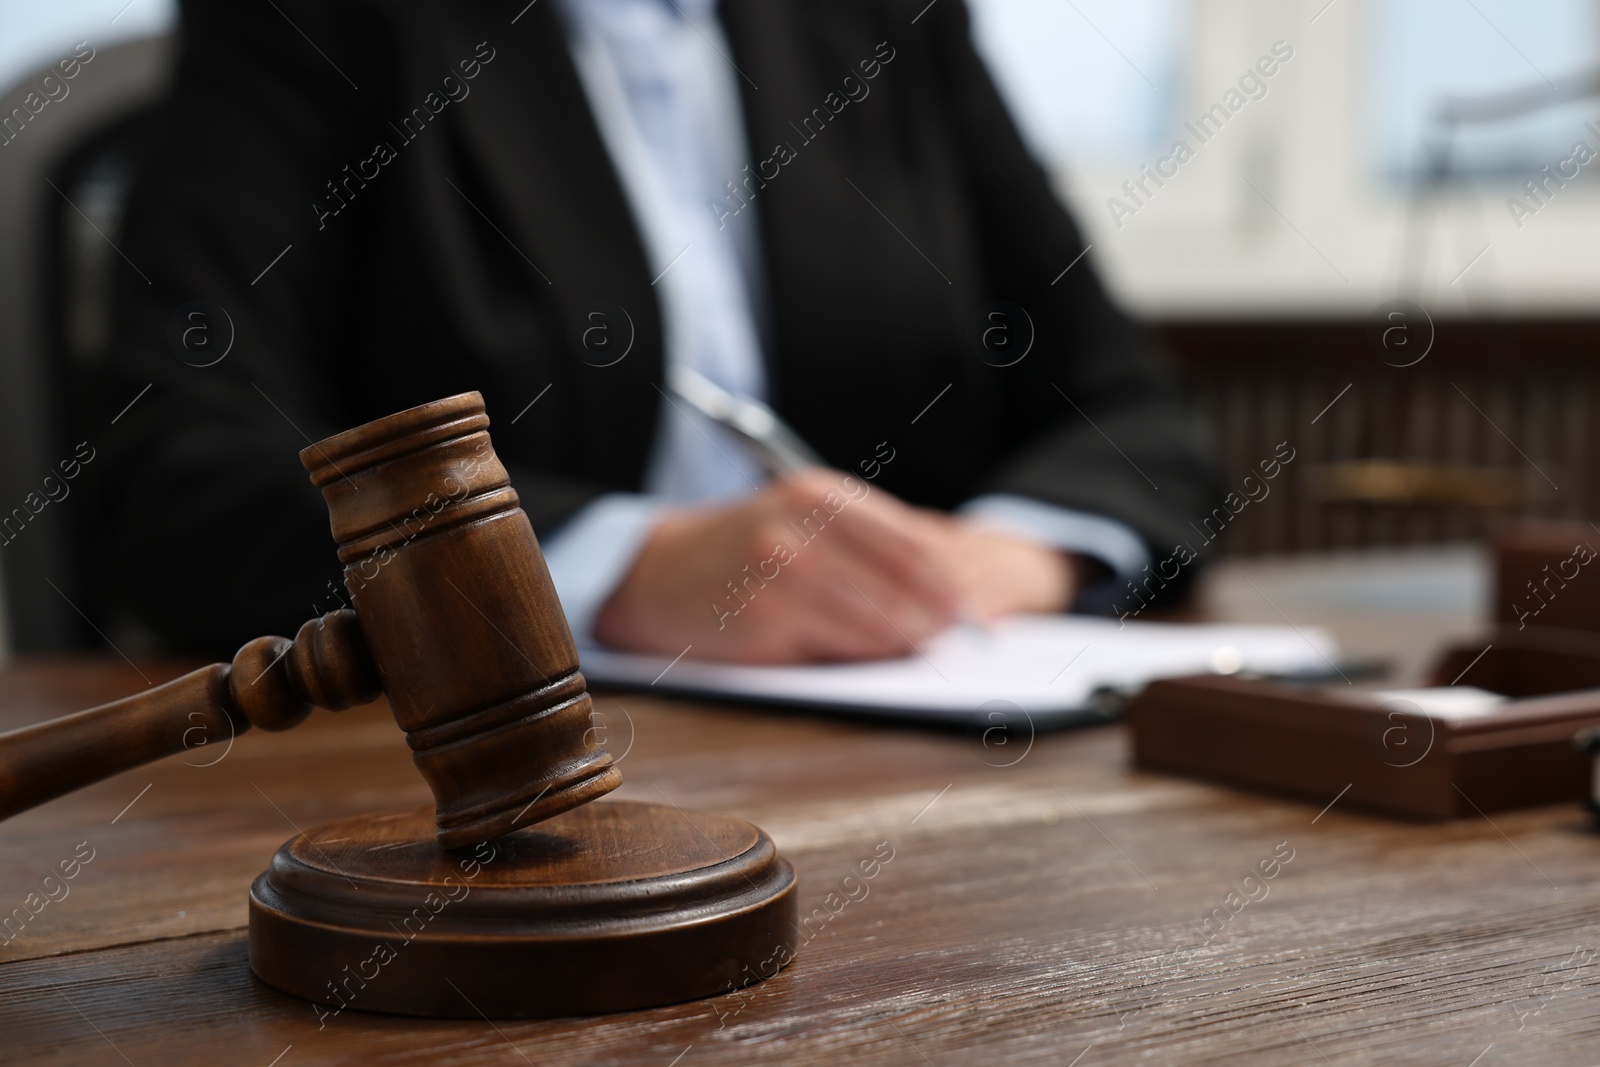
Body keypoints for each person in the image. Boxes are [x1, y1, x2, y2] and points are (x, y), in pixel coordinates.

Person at [84, 0, 1219, 663]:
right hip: (461, 791)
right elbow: (176, 469)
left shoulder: (888, 24)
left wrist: (998, 559)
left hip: (910, 760)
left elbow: (1134, 414)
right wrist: (622, 567)